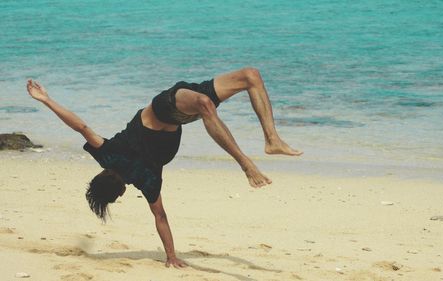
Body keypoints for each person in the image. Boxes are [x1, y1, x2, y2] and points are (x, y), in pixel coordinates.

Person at [26, 67, 302, 268]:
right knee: (248, 76)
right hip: (176, 107)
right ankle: (252, 157)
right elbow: (81, 126)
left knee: (229, 89)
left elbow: (161, 219)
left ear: (120, 193)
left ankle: (269, 143)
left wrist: (171, 256)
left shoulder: (142, 179)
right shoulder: (123, 166)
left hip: (170, 107)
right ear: (101, 175)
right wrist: (45, 99)